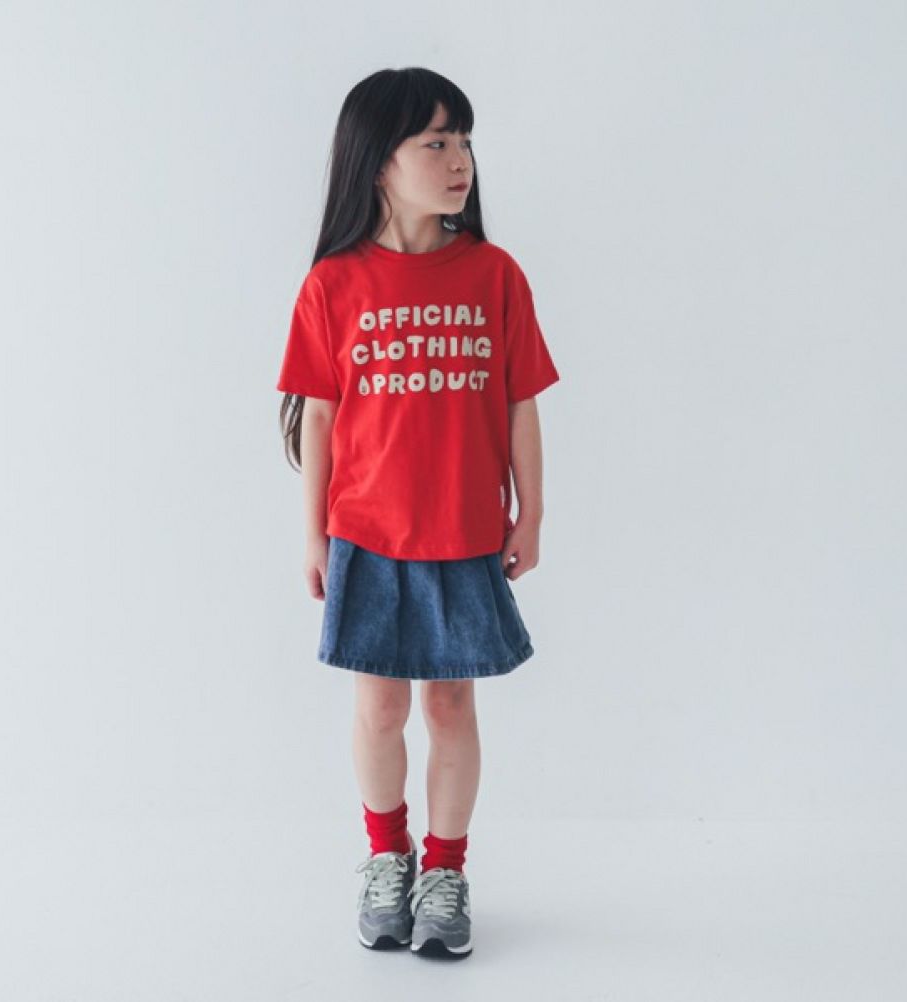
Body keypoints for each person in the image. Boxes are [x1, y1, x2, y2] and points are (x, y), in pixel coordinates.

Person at [276, 67, 560, 959]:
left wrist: (531, 514)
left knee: (449, 704)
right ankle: (386, 858)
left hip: (465, 534)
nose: (459, 159)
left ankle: (445, 870)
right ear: (378, 162)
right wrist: (314, 534)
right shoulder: (334, 285)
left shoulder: (495, 275)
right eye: (435, 142)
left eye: (464, 140)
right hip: (368, 535)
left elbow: (520, 402)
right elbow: (319, 415)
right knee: (378, 708)